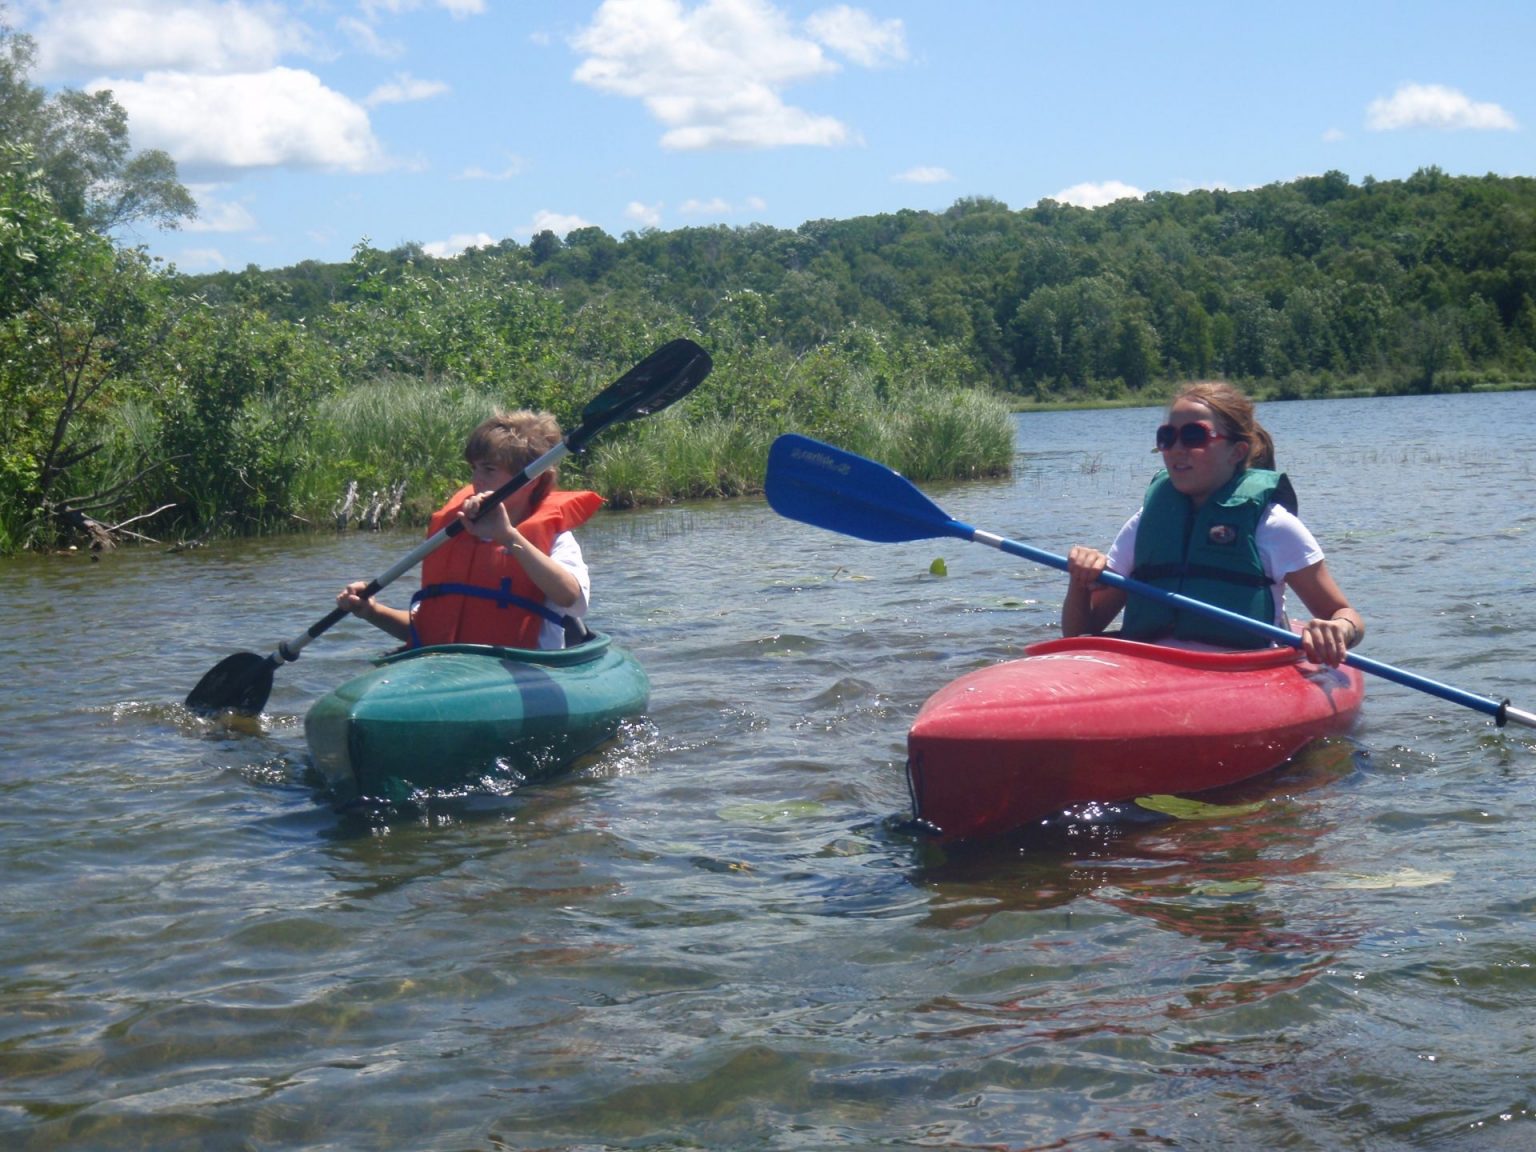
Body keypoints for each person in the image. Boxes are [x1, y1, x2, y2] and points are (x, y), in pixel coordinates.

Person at [1060, 381, 1363, 667]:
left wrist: (1339, 628)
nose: (1176, 449)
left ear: (1237, 451)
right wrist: (1080, 580)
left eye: (1194, 436)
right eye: (1167, 437)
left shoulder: (1273, 526)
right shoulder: (1144, 524)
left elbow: (1345, 614)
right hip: (1147, 668)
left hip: (1234, 670)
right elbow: (1080, 633)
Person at [337, 410, 601, 650]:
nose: (476, 480)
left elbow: (571, 599)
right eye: (474, 468)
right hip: (448, 672)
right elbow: (425, 633)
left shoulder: (556, 540)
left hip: (521, 672)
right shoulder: (450, 536)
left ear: (532, 481)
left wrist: (507, 536)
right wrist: (372, 611)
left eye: (489, 470)